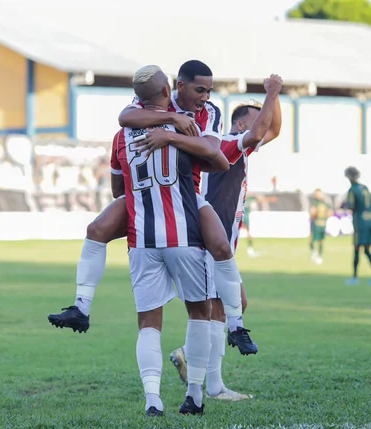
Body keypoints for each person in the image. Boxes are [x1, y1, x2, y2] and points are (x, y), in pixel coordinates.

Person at [48, 60, 257, 354]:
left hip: (185, 191)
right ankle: (81, 307)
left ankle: (236, 326)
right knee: (96, 229)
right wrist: (172, 121)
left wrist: (170, 135)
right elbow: (124, 118)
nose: (206, 97)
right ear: (175, 87)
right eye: (200, 90)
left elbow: (213, 153)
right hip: (147, 195)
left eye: (209, 90)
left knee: (222, 248)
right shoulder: (153, 102)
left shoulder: (209, 112)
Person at [136, 79, 281, 401]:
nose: (264, 123)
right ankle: (211, 384)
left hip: (213, 240)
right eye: (258, 117)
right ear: (241, 123)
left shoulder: (221, 144)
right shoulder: (229, 143)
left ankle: (195, 363)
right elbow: (262, 132)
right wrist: (272, 93)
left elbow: (273, 130)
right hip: (205, 242)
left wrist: (275, 97)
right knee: (220, 308)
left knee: (227, 306)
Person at [113, 65, 224, 416]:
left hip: (141, 238)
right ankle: (195, 395)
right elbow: (219, 162)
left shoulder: (123, 134)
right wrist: (177, 131)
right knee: (200, 313)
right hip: (183, 234)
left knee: (148, 322)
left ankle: (152, 399)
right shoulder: (187, 127)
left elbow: (118, 191)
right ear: (169, 92)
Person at [342, 167, 371, 285]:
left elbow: (351, 206)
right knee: (367, 249)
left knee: (356, 248)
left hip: (360, 222)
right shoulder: (365, 188)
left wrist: (343, 205)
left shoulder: (352, 190)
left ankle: (354, 277)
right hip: (370, 220)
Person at [309, 188, 332, 265]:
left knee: (313, 240)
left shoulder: (316, 203)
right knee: (320, 241)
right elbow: (330, 213)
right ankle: (319, 256)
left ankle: (315, 254)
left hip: (317, 223)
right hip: (323, 223)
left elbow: (313, 213)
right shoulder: (325, 203)